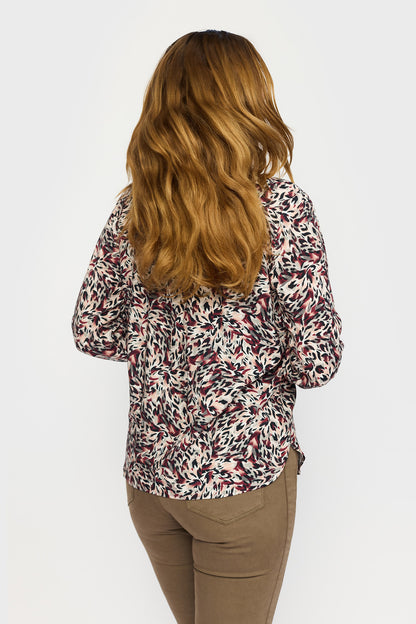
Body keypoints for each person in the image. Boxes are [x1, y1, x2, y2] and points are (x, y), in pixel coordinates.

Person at [71, 29, 344, 624]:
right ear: (249, 104)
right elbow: (318, 361)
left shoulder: (136, 206)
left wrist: (164, 341)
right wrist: (246, 354)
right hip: (241, 486)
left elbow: (93, 330)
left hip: (152, 484)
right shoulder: (281, 210)